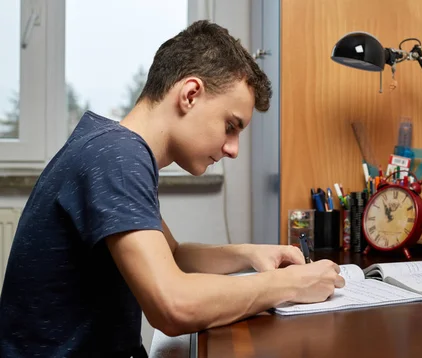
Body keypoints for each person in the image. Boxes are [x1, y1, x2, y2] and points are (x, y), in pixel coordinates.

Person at [0, 20, 345, 357]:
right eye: (230, 126)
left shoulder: (107, 144)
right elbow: (172, 306)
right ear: (190, 94)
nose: (232, 149)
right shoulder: (117, 156)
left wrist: (251, 254)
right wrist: (289, 285)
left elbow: (173, 254)